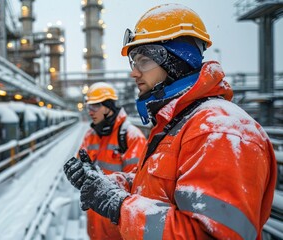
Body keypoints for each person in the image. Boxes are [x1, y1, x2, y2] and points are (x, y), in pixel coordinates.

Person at [64, 3, 277, 239]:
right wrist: (103, 184)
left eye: (143, 61)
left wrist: (119, 207)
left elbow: (208, 235)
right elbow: (154, 190)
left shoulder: (219, 131)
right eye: (134, 62)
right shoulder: (176, 124)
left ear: (175, 62)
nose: (134, 72)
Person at [65, 82, 147, 240]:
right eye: (89, 107)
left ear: (108, 106)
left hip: (120, 228)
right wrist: (80, 174)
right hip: (95, 223)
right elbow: (81, 164)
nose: (90, 112)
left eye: (95, 106)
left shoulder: (131, 137)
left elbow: (140, 187)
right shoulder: (91, 134)